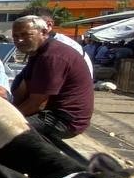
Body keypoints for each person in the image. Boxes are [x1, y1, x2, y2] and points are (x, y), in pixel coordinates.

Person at [10, 16, 93, 146]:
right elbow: (22, 88)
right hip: (50, 113)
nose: (19, 40)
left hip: (63, 120)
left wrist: (8, 118)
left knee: (6, 130)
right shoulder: (37, 53)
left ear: (43, 32)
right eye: (15, 36)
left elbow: (37, 103)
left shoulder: (51, 56)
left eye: (26, 35)